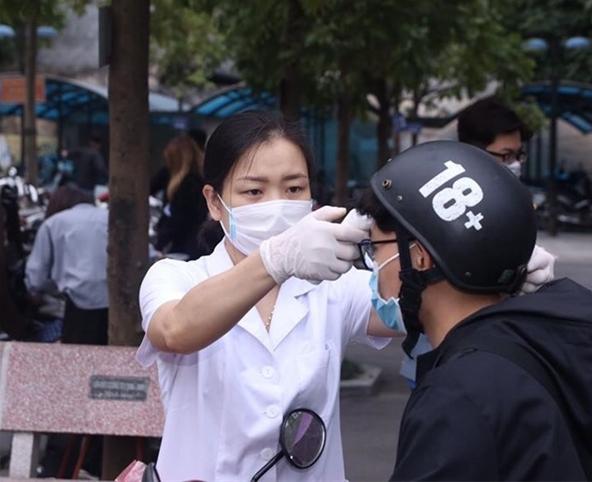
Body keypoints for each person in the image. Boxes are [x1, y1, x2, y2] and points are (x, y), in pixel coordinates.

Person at [356, 141, 592, 480]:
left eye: (375, 249)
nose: (373, 265)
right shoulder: (545, 343)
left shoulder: (457, 396)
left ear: (419, 257)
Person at [136, 111, 397, 481]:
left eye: (294, 189)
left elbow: (413, 309)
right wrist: (275, 260)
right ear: (214, 201)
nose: (276, 204)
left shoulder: (335, 287)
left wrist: (388, 234)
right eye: (254, 191)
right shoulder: (174, 277)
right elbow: (175, 330)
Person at [399, 96, 553, 385]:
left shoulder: (509, 200)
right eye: (505, 155)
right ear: (472, 152)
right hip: (442, 352)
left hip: (490, 350)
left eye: (518, 155)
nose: (514, 165)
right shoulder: (440, 203)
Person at [25, 185, 108, 345]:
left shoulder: (52, 223)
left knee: (77, 354)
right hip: (120, 304)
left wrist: (34, 293)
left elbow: (35, 277)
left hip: (77, 309)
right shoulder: (110, 217)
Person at [153, 135, 208, 258]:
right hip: (193, 241)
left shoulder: (187, 185)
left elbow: (178, 218)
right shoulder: (198, 180)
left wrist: (160, 244)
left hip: (184, 244)